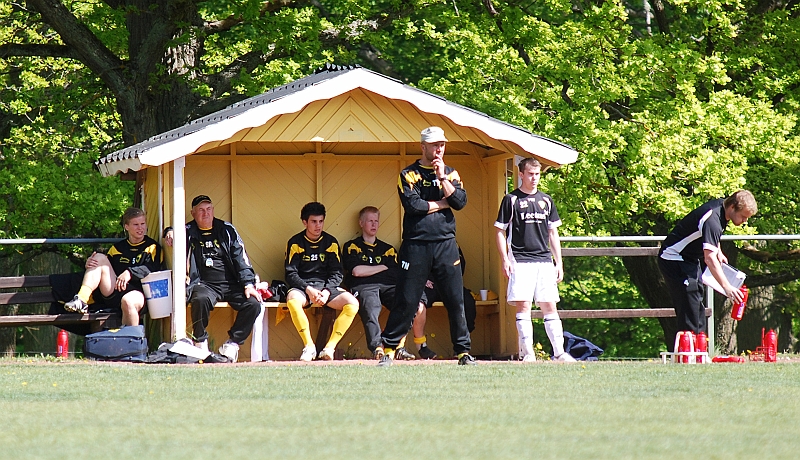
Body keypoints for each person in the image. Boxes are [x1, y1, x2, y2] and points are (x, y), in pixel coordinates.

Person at [379, 126, 475, 366]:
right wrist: (443, 203)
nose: (438, 149)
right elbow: (414, 207)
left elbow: (460, 202)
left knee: (455, 299)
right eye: (434, 145)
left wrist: (442, 177)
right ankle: (388, 350)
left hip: (445, 245)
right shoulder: (408, 174)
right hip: (416, 245)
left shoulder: (451, 174)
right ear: (423, 147)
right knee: (407, 299)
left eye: (442, 145)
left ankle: (463, 352)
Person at [494, 157, 576, 362]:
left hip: (544, 261)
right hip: (520, 260)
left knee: (550, 306)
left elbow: (553, 233)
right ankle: (528, 353)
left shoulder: (546, 200)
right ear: (521, 174)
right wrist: (505, 259)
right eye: (530, 174)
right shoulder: (511, 200)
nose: (534, 178)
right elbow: (499, 231)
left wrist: (559, 262)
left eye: (537, 174)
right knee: (524, 307)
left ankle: (559, 352)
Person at [658, 190, 757, 334]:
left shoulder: (721, 208)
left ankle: (699, 350)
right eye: (743, 216)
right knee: (689, 308)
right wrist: (727, 287)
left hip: (689, 258)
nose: (745, 221)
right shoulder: (713, 220)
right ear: (732, 207)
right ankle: (688, 353)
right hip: (673, 258)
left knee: (697, 304)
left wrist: (718, 250)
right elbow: (709, 259)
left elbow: (708, 233)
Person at [186, 195, 261, 362]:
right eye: (201, 210)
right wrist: (169, 232)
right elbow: (173, 230)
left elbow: (241, 258)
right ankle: (200, 342)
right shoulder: (188, 231)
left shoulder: (226, 230)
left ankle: (232, 344)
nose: (205, 213)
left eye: (209, 209)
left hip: (231, 284)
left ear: (213, 210)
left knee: (253, 304)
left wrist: (248, 284)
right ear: (193, 213)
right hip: (205, 285)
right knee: (200, 299)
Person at [285, 202, 360, 361]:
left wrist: (326, 291)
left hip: (327, 288)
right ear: (304, 222)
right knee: (292, 300)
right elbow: (290, 274)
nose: (318, 226)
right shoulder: (295, 242)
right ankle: (309, 347)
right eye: (313, 221)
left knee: (352, 303)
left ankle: (329, 348)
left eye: (321, 221)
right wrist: (308, 289)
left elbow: (337, 273)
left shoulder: (330, 243)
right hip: (303, 288)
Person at [64, 207, 164, 326]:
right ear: (126, 227)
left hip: (139, 293)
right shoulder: (117, 248)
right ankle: (81, 300)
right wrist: (90, 264)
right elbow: (103, 269)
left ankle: (130, 341)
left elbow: (152, 268)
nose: (140, 228)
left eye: (143, 223)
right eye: (136, 224)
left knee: (128, 301)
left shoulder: (152, 246)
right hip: (115, 291)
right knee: (99, 257)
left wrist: (130, 273)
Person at [342, 206, 416, 360]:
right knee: (371, 307)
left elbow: (396, 273)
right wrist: (382, 267)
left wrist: (369, 270)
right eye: (370, 221)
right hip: (363, 286)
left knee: (406, 302)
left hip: (388, 286)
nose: (374, 224)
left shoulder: (388, 249)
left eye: (376, 221)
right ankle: (377, 347)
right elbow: (356, 271)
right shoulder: (352, 246)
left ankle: (397, 346)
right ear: (361, 223)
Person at [412, 247, 476, 359]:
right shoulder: (418, 239)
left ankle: (461, 347)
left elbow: (460, 266)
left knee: (467, 301)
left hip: (448, 282)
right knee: (418, 305)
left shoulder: (448, 241)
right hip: (427, 284)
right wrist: (423, 279)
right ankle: (421, 345)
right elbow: (411, 265)